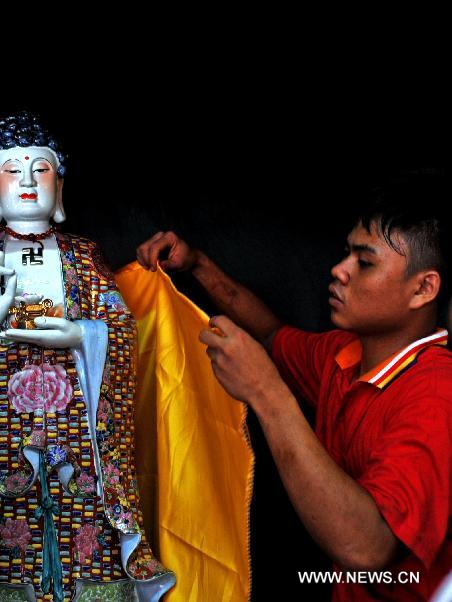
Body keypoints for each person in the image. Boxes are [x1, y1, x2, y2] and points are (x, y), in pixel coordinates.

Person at [137, 174, 451, 600]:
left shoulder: (437, 394)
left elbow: (368, 547)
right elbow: (269, 334)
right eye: (346, 254)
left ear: (423, 288)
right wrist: (197, 266)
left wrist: (267, 394)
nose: (339, 270)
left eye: (365, 262)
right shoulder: (343, 354)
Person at [0, 113, 175, 601]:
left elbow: (123, 330)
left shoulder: (84, 256)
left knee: (82, 519)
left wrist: (83, 336)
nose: (26, 181)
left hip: (78, 436)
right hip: (1, 433)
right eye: (12, 170)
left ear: (59, 187)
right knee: (4, 527)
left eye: (39, 169)